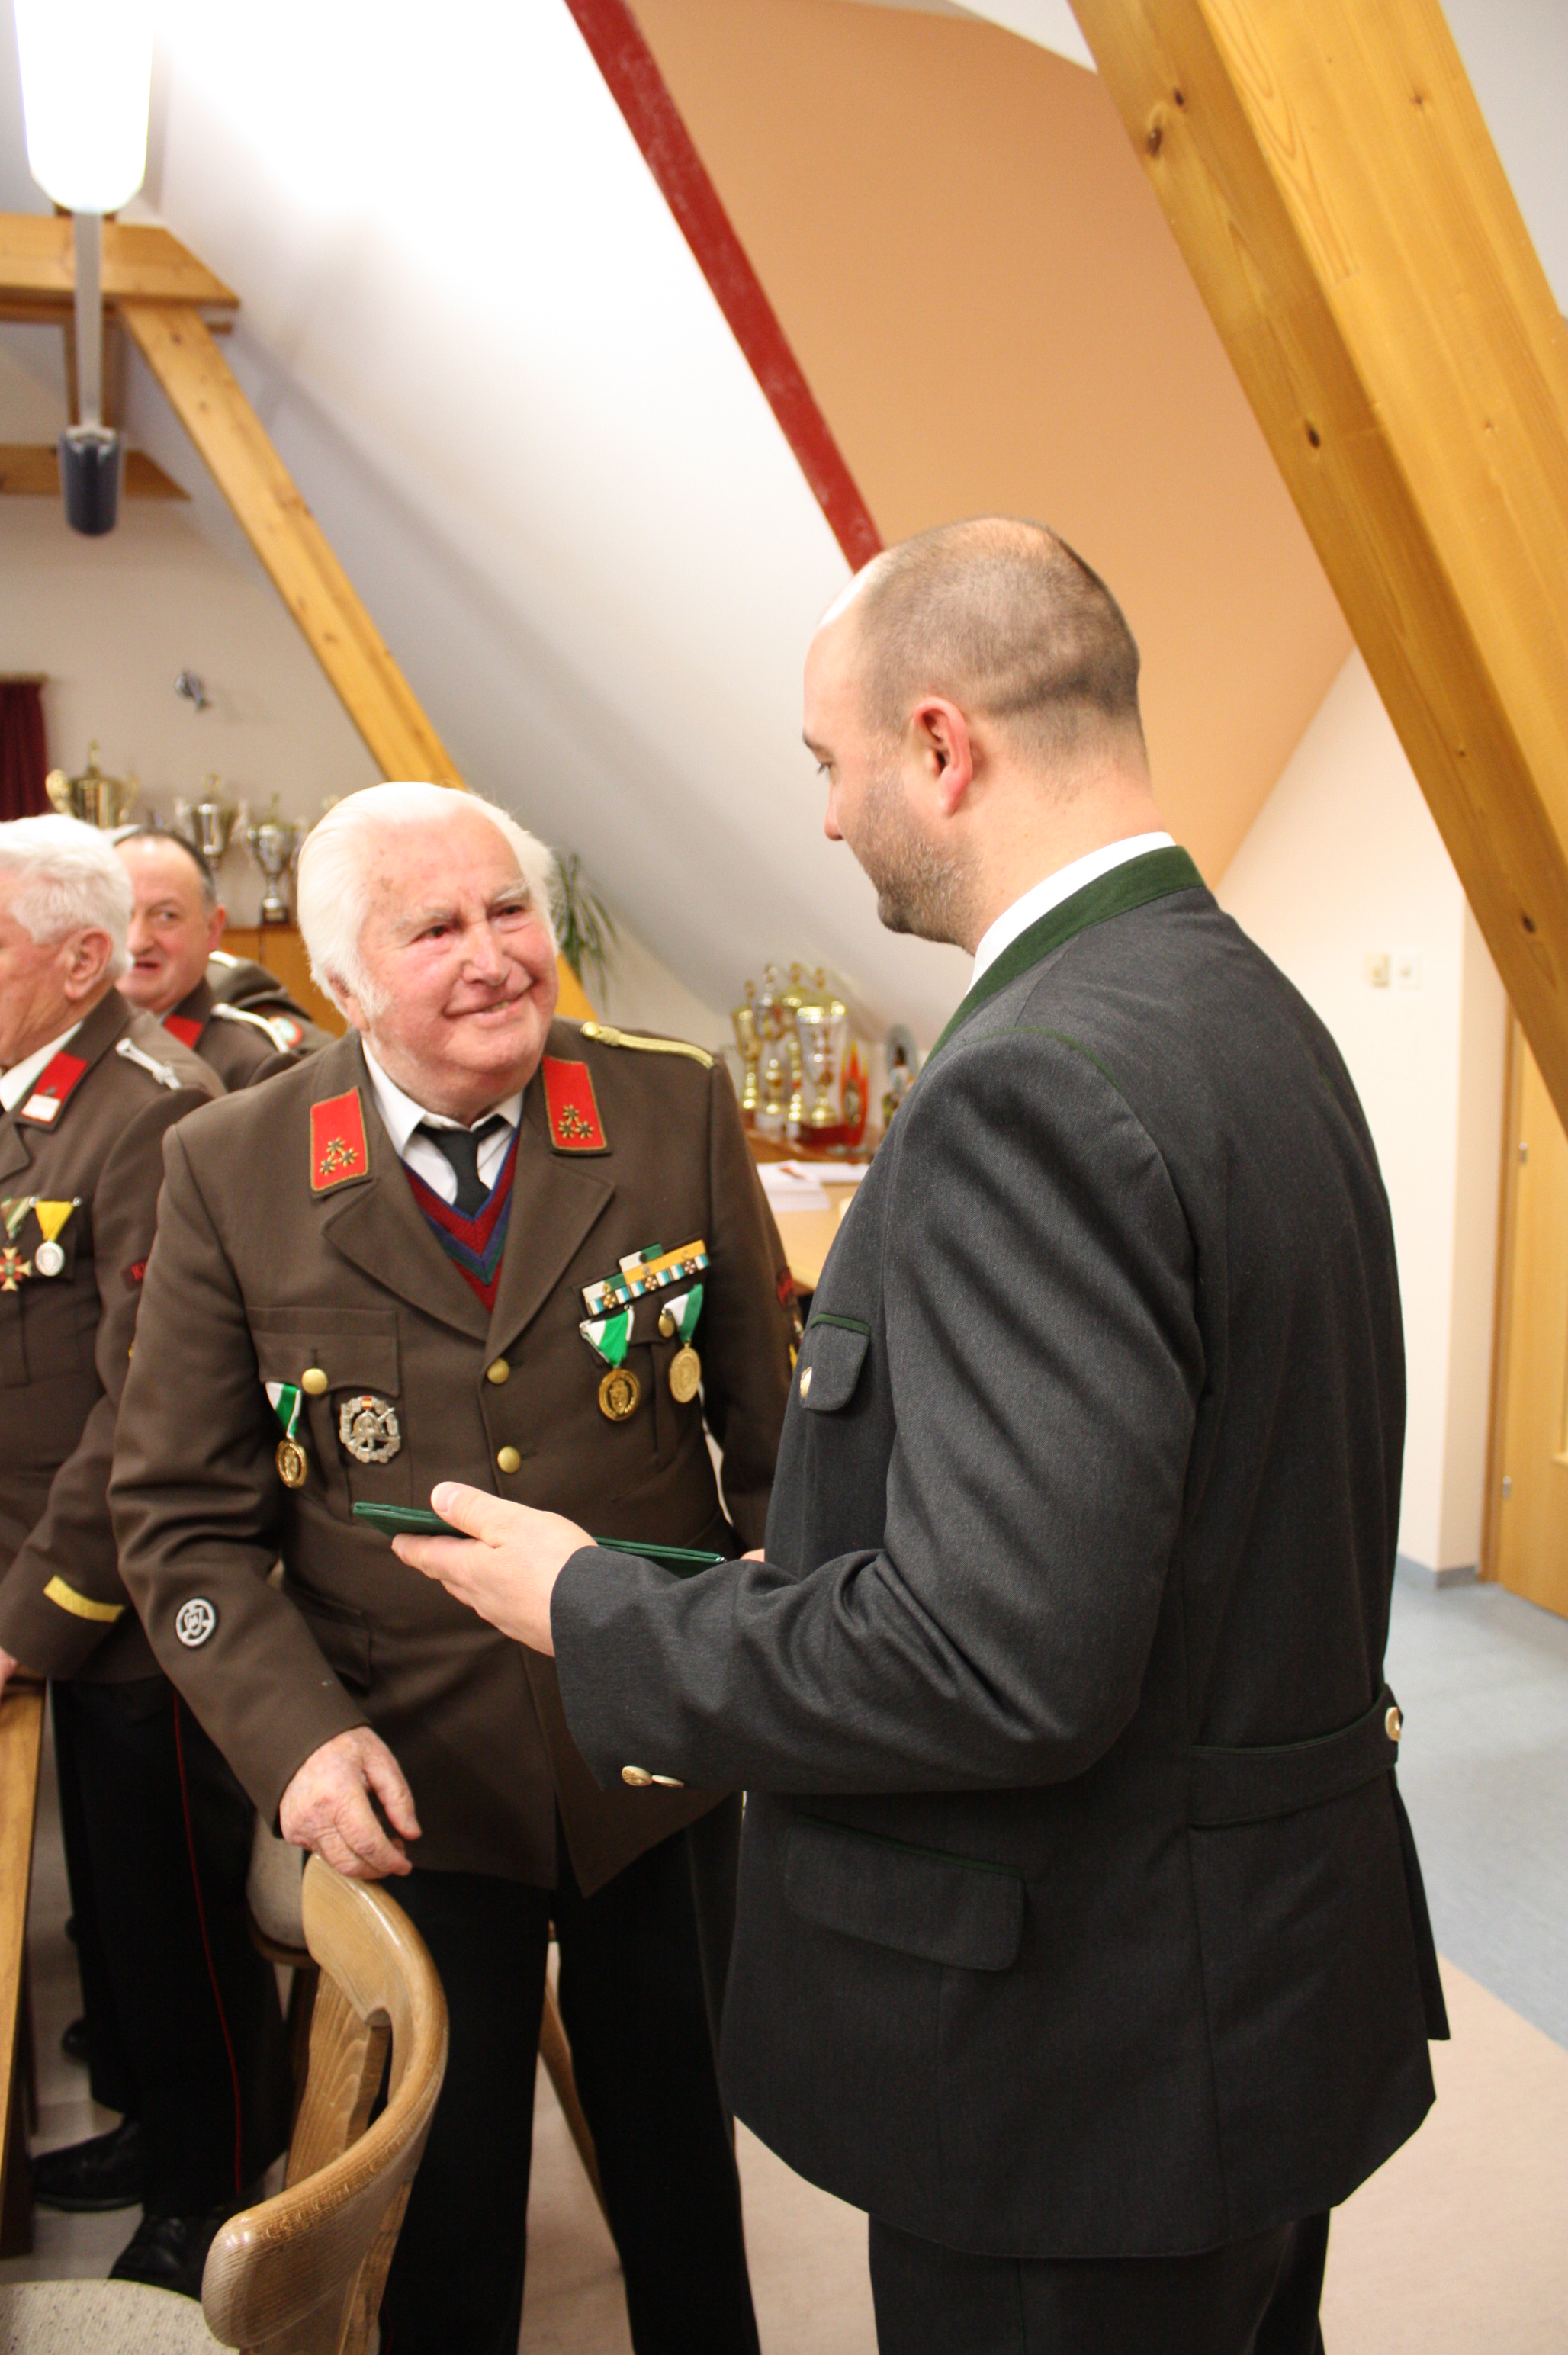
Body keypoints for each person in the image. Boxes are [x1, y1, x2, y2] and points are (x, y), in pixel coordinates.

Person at [390, 520, 1449, 2355]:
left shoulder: (1026, 1078)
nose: (821, 816)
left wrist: (591, 1606)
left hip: (1082, 2058)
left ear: (941, 746)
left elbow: (994, 1663)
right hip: (1253, 1985)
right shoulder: (1236, 1001)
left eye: (831, 761)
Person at [112, 780, 795, 2355]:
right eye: (435, 929)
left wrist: (775, 1649)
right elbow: (181, 1520)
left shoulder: (670, 1105)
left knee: (688, 2180)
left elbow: (776, 1442)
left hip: (657, 1756)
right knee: (445, 2220)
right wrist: (296, 1742)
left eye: (509, 911)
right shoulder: (232, 1163)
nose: (493, 955)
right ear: (347, 979)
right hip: (405, 1780)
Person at [0, 814, 291, 2295]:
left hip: (136, 1590)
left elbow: (142, 1409)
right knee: (110, 1911)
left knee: (175, 1910)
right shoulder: (36, 1095)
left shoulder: (156, 1109)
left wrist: (31, 1614)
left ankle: (214, 2176)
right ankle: (143, 2119)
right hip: (51, 1571)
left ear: (76, 961)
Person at [115, 827, 329, 1083]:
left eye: (166, 916)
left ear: (213, 929)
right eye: (121, 913)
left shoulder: (254, 1068)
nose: (137, 942)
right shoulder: (83, 1039)